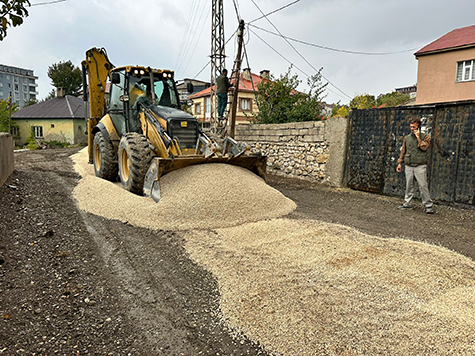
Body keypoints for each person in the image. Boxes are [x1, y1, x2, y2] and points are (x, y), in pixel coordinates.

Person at [396, 118, 434, 214]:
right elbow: (403, 150)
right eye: (411, 127)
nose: (412, 129)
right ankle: (407, 203)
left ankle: (428, 206)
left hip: (420, 165)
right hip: (409, 165)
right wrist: (400, 163)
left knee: (423, 185)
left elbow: (424, 147)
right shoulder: (407, 138)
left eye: (414, 127)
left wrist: (418, 137)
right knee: (409, 185)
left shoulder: (426, 136)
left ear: (419, 127)